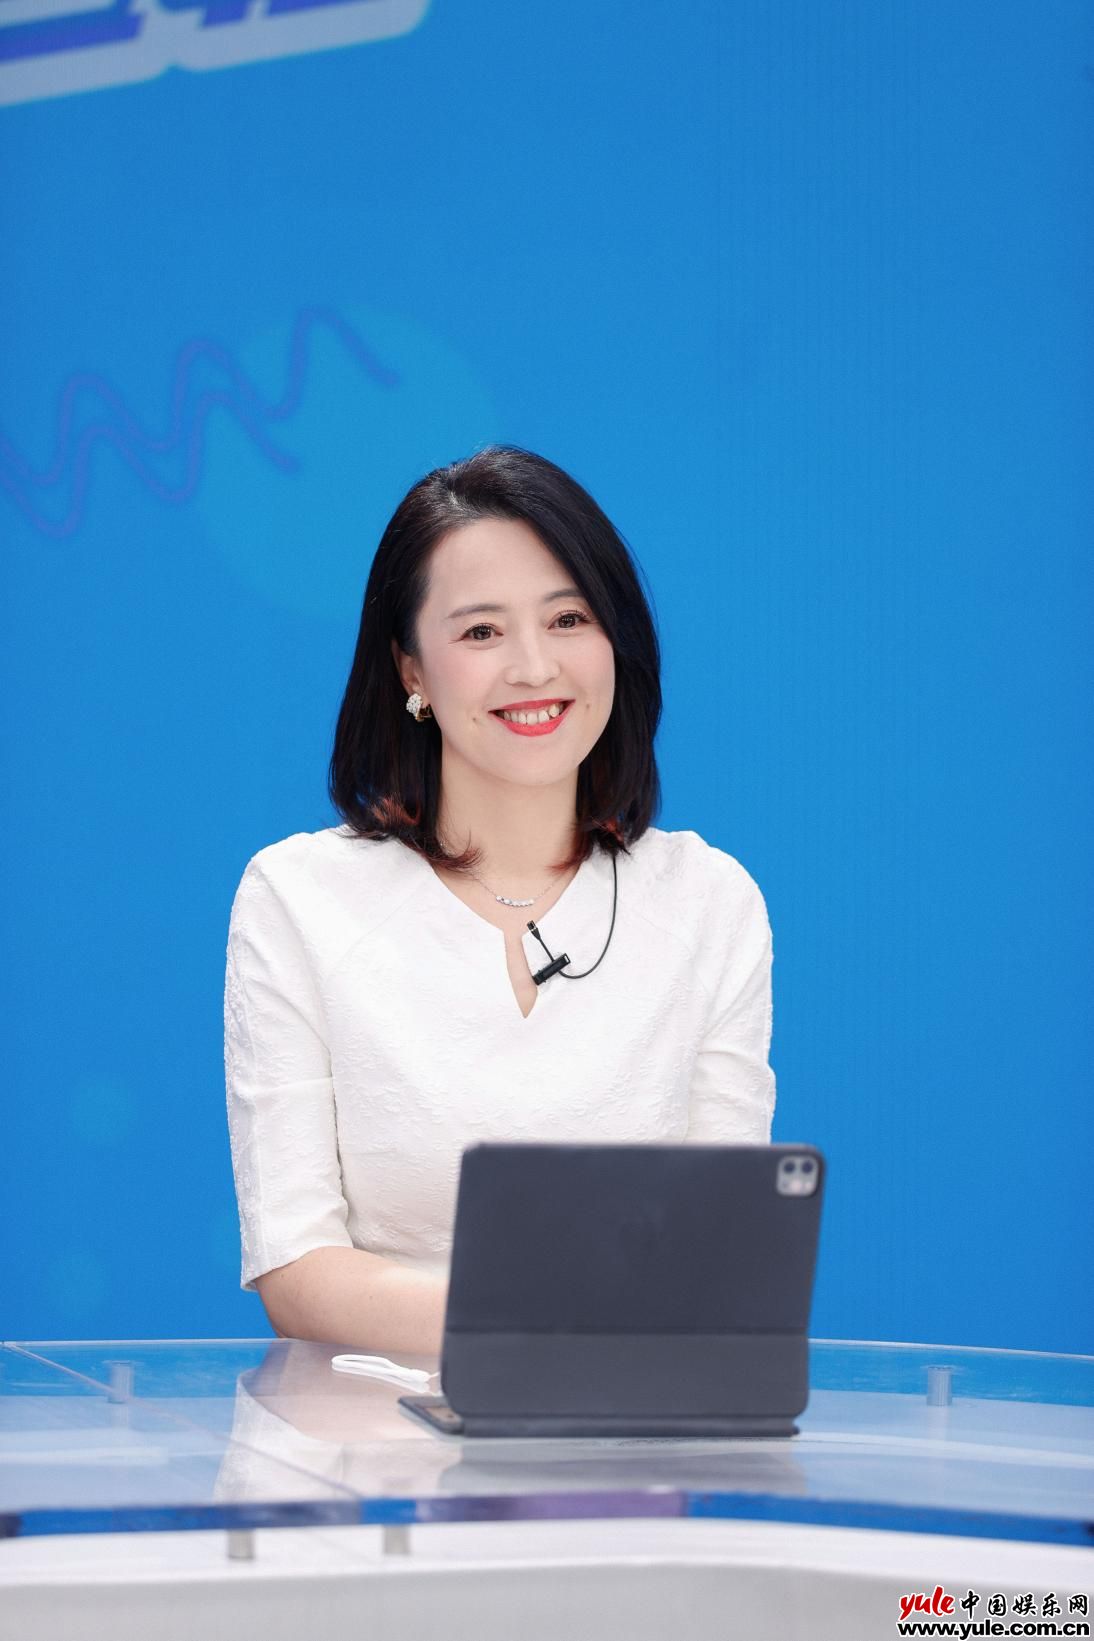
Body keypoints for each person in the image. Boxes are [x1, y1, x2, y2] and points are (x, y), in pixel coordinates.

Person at [223, 445, 776, 1357]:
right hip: (365, 1431)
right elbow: (297, 1267)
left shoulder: (709, 902)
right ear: (411, 670)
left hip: (627, 1427)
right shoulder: (298, 897)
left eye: (568, 618)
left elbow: (724, 1250)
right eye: (481, 632)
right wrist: (536, 1327)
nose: (533, 666)